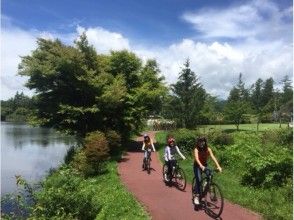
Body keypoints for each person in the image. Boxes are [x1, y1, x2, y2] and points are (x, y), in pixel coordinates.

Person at [193, 137, 222, 205]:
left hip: (204, 165)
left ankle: (209, 190)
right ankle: (196, 197)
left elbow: (213, 157)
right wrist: (201, 166)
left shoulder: (208, 149)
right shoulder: (196, 149)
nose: (201, 143)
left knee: (210, 175)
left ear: (205, 142)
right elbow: (197, 159)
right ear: (197, 143)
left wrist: (218, 166)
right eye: (200, 141)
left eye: (203, 141)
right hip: (197, 166)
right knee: (199, 180)